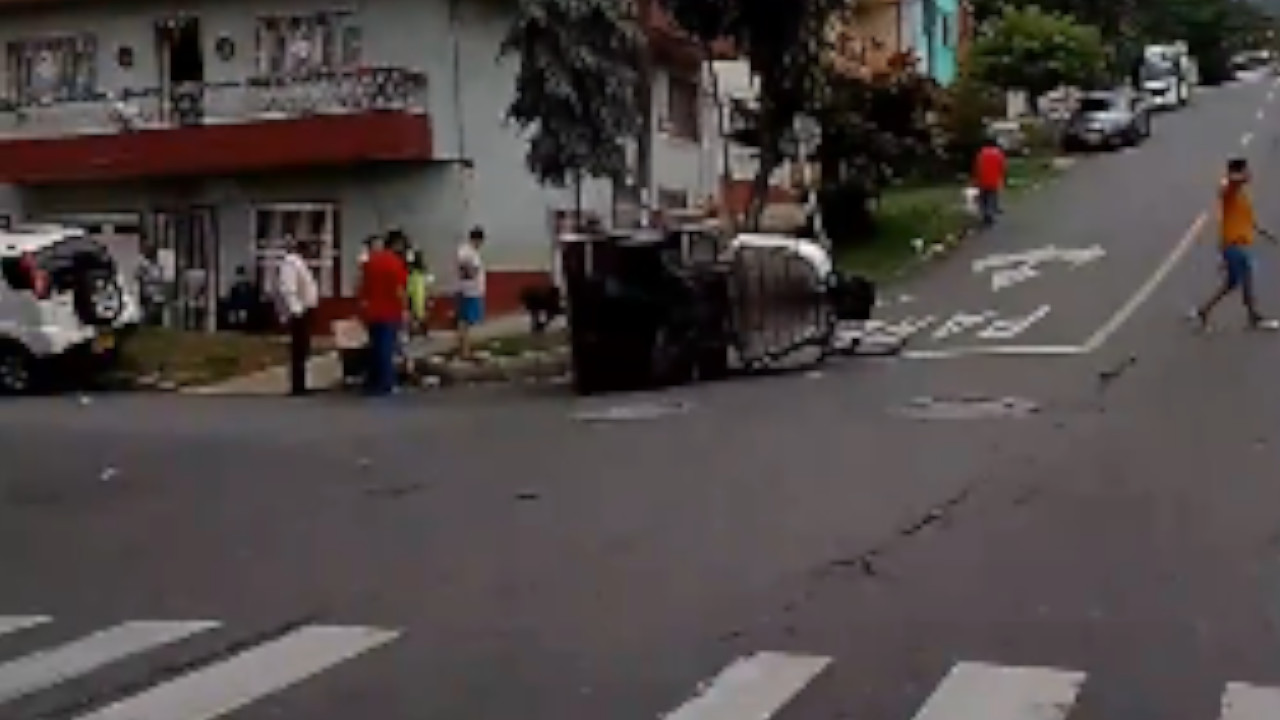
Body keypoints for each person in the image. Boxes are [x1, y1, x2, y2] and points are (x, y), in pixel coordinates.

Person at [1194, 157, 1280, 330]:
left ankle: (1205, 310)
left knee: (1233, 283)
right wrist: (1236, 177)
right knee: (1244, 278)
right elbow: (1225, 187)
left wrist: (1267, 234)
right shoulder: (1231, 191)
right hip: (1234, 245)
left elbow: (1249, 221)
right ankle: (1253, 317)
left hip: (1238, 244)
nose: (1249, 173)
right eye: (1246, 170)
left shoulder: (1242, 195)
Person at [359, 233, 409, 395]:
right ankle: (386, 383)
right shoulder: (395, 263)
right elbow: (400, 290)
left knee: (375, 347)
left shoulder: (370, 262)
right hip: (390, 311)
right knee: (387, 348)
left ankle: (372, 382)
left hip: (372, 312)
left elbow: (361, 287)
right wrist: (405, 309)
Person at [273, 237, 320, 395]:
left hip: (305, 310)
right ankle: (297, 385)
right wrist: (296, 310)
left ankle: (302, 382)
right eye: (311, 249)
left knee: (303, 349)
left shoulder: (300, 263)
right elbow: (288, 289)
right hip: (298, 312)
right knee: (299, 349)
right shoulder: (291, 263)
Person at [455, 226, 487, 360]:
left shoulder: (469, 251)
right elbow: (465, 270)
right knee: (465, 322)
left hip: (471, 291)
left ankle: (465, 349)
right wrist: (471, 274)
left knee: (466, 322)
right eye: (481, 241)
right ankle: (464, 351)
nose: (481, 244)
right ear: (476, 239)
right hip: (468, 292)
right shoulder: (466, 252)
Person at [972, 138, 1007, 228]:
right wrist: (1002, 178)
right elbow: (1002, 167)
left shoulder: (981, 154)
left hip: (983, 179)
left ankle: (984, 214)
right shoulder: (998, 154)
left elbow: (978, 167)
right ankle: (990, 214)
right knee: (992, 197)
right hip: (994, 179)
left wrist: (976, 178)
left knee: (983, 198)